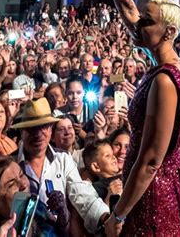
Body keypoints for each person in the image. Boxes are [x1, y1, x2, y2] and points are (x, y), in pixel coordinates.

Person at [101, 0, 180, 236]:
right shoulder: (160, 62)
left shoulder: (166, 80)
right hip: (149, 188)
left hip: (154, 194)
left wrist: (118, 215)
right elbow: (129, 12)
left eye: (148, 21)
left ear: (168, 32)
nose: (139, 23)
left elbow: (152, 160)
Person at [11, 97, 110, 234]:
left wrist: (104, 217)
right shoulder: (10, 164)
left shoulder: (63, 159)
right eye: (32, 128)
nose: (38, 134)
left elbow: (81, 193)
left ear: (50, 130)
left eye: (43, 126)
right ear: (22, 132)